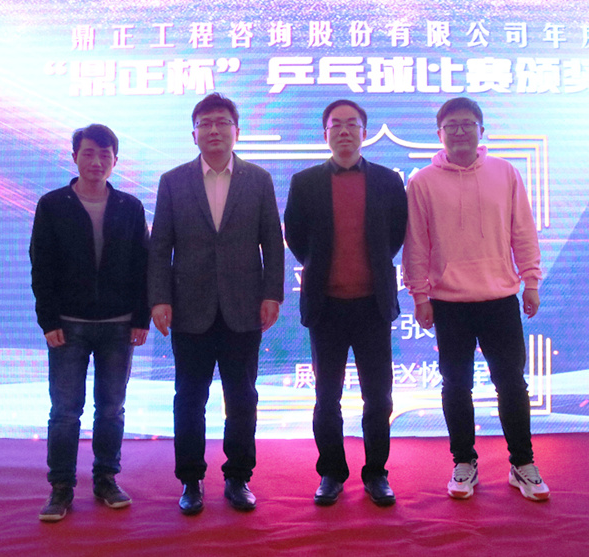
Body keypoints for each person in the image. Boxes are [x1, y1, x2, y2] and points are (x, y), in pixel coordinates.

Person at [402, 97, 550, 502]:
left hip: (499, 298)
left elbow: (523, 231)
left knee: (512, 384)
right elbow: (417, 244)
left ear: (481, 131)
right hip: (448, 302)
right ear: (439, 134)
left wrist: (531, 281)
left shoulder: (505, 173)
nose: (460, 131)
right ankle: (464, 462)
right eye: (451, 125)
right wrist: (419, 295)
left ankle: (523, 464)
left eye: (468, 124)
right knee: (455, 385)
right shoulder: (422, 182)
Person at [148, 93, 284, 514]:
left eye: (222, 122)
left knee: (242, 398)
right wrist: (159, 299)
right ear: (193, 134)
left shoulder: (258, 179)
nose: (213, 130)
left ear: (236, 131)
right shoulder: (173, 181)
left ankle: (238, 477)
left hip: (244, 307)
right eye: (205, 123)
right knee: (189, 398)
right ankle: (191, 480)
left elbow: (272, 243)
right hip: (190, 308)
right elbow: (160, 247)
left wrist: (272, 294)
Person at [284, 100, 407, 507]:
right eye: (335, 125)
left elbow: (395, 236)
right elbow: (296, 237)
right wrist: (323, 268)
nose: (344, 131)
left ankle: (377, 473)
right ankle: (331, 473)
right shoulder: (305, 183)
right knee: (326, 398)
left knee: (379, 398)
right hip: (327, 307)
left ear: (364, 132)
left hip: (373, 306)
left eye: (352, 124)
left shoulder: (388, 181)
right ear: (325, 134)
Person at [30, 124, 150, 522]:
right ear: (74, 157)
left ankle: (106, 479)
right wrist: (48, 320)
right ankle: (61, 487)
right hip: (68, 325)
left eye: (105, 154)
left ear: (115, 160)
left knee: (111, 408)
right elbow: (41, 266)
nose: (96, 161)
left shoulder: (130, 206)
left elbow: (143, 265)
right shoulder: (53, 204)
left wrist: (141, 317)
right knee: (65, 411)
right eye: (88, 153)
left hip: (119, 325)